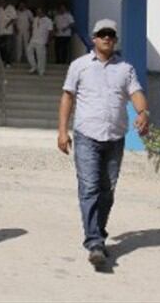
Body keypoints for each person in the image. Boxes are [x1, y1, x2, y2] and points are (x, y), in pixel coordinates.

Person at [58, 18, 150, 268]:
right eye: (102, 34)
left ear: (115, 39)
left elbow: (136, 93)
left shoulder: (125, 68)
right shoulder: (79, 66)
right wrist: (62, 131)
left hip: (115, 137)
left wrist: (142, 113)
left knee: (107, 190)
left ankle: (97, 232)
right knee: (89, 188)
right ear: (94, 38)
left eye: (111, 34)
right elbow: (67, 97)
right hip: (86, 136)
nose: (107, 38)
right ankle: (95, 242)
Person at [26, 7, 53, 75]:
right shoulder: (35, 19)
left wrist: (48, 41)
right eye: (37, 12)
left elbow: (50, 31)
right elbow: (33, 29)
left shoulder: (48, 20)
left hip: (42, 40)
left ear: (43, 12)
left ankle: (41, 70)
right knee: (28, 51)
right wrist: (30, 37)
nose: (38, 13)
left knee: (40, 56)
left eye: (40, 12)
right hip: (33, 39)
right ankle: (34, 66)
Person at [0, 0, 17, 67]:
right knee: (0, 47)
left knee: (8, 47)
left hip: (8, 32)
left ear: (6, 1)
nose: (2, 3)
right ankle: (2, 60)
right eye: (0, 2)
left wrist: (8, 24)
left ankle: (8, 62)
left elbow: (14, 18)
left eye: (3, 1)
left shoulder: (11, 8)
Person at [14, 0, 34, 64]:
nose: (21, 6)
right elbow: (14, 22)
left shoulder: (28, 12)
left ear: (25, 5)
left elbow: (32, 21)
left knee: (27, 46)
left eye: (23, 5)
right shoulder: (16, 12)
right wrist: (15, 29)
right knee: (18, 46)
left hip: (26, 31)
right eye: (20, 5)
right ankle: (18, 59)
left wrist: (30, 30)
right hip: (18, 31)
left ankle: (28, 60)